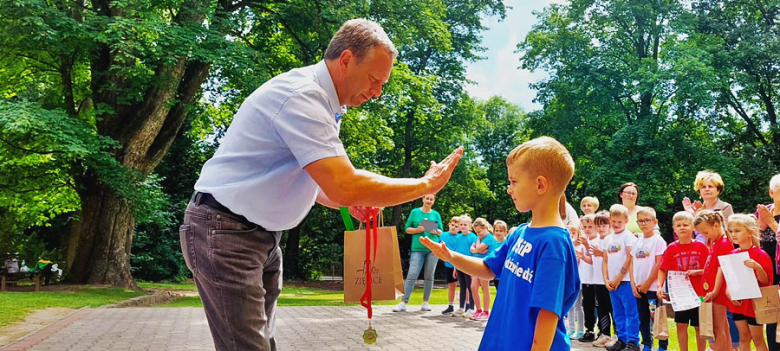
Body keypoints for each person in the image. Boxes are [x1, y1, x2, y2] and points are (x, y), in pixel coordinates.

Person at [181, 19, 464, 351]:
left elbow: (315, 181)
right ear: (345, 60)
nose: (377, 93)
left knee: (261, 344)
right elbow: (345, 183)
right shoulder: (304, 97)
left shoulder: (329, 105)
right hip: (227, 231)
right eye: (374, 80)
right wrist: (424, 184)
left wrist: (345, 201)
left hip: (257, 236)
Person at [421, 136, 580, 350]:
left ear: (540, 184)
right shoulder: (520, 233)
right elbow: (488, 269)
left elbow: (548, 313)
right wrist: (450, 256)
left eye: (514, 181)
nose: (509, 189)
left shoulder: (553, 244)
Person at [658, 212, 709, 351]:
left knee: (699, 327)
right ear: (674, 228)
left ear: (693, 227)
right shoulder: (671, 248)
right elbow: (662, 268)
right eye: (678, 225)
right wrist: (659, 286)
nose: (682, 228)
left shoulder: (701, 247)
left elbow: (710, 269)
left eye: (685, 225)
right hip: (680, 295)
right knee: (681, 325)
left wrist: (698, 272)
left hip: (699, 294)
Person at [722, 214, 773, 351]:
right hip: (738, 303)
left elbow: (766, 281)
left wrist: (758, 267)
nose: (733, 234)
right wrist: (728, 292)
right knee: (743, 337)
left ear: (750, 232)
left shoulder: (760, 254)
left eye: (737, 231)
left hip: (754, 304)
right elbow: (730, 278)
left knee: (757, 338)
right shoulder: (732, 254)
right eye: (731, 231)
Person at [393, 194, 443, 312]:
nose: (429, 201)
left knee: (429, 276)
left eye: (431, 199)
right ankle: (403, 303)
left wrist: (436, 231)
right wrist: (418, 230)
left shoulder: (436, 214)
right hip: (417, 248)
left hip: (432, 248)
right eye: (427, 198)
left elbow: (441, 231)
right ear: (423, 199)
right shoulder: (415, 212)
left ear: (434, 201)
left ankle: (426, 302)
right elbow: (407, 229)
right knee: (412, 275)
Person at [629, 207, 668, 351]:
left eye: (647, 220)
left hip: (652, 289)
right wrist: (633, 283)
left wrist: (647, 283)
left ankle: (662, 345)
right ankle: (647, 343)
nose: (644, 224)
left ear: (655, 222)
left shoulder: (658, 241)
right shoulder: (637, 241)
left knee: (656, 317)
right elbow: (632, 262)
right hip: (639, 288)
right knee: (643, 318)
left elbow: (659, 264)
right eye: (640, 221)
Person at [602, 204, 640, 351]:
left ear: (626, 220)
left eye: (620, 222)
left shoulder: (628, 237)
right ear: (610, 220)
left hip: (625, 282)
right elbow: (605, 260)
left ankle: (633, 341)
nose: (617, 224)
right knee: (618, 313)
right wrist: (606, 279)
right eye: (614, 221)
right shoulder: (607, 239)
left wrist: (619, 277)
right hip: (612, 283)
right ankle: (622, 339)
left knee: (631, 313)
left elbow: (630, 258)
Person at [696, 210, 734, 351]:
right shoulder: (716, 242)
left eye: (705, 232)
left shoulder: (724, 243)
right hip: (710, 291)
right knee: (722, 325)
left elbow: (721, 269)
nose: (705, 236)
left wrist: (714, 291)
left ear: (716, 226)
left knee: (718, 327)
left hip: (716, 292)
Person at [755, 174, 780, 351]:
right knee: (771, 319)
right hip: (768, 277)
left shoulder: (769, 217)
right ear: (771, 193)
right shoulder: (764, 212)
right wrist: (758, 228)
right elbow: (747, 241)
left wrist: (772, 223)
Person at [591, 210, 618, 347]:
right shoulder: (594, 241)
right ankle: (605, 334)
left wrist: (601, 253)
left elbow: (614, 258)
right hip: (597, 280)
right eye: (599, 225)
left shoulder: (612, 240)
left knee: (614, 308)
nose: (601, 228)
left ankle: (618, 335)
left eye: (604, 225)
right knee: (602, 308)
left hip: (610, 280)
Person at [469, 218, 499, 321]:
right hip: (476, 264)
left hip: (485, 265)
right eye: (476, 233)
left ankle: (486, 311)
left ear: (485, 228)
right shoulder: (479, 237)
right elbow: (472, 249)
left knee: (484, 287)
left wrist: (477, 246)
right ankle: (478, 310)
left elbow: (477, 249)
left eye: (479, 232)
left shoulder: (489, 237)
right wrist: (476, 248)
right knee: (473, 287)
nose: (477, 234)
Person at [577, 214, 599, 343]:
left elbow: (592, 260)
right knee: (587, 305)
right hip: (586, 279)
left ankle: (602, 330)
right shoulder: (584, 241)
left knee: (598, 306)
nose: (587, 229)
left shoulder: (596, 241)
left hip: (595, 279)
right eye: (585, 227)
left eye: (590, 226)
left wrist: (585, 246)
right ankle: (589, 329)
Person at [451, 214, 477, 317]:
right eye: (461, 224)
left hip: (469, 266)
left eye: (465, 224)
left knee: (471, 287)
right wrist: (454, 268)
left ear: (470, 225)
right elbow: (456, 253)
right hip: (459, 266)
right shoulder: (458, 238)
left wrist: (473, 269)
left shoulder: (473, 237)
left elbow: (474, 254)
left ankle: (471, 308)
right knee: (462, 287)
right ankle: (461, 308)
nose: (462, 226)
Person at [439, 216, 462, 315]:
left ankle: (465, 306)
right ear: (449, 224)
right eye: (452, 225)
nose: (454, 227)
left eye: (456, 226)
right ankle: (451, 305)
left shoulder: (461, 237)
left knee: (465, 286)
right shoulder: (443, 235)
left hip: (460, 264)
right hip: (448, 264)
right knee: (451, 285)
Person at [568, 225, 586, 339]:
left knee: (578, 305)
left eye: (574, 233)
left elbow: (579, 264)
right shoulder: (566, 247)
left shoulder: (581, 247)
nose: (571, 235)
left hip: (579, 279)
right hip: (568, 279)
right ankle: (571, 328)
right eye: (569, 233)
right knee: (569, 306)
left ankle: (580, 329)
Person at [492, 220, 509, 291]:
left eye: (500, 231)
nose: (498, 233)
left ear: (505, 232)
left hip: (504, 274)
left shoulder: (507, 243)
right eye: (496, 230)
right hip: (496, 275)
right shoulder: (494, 243)